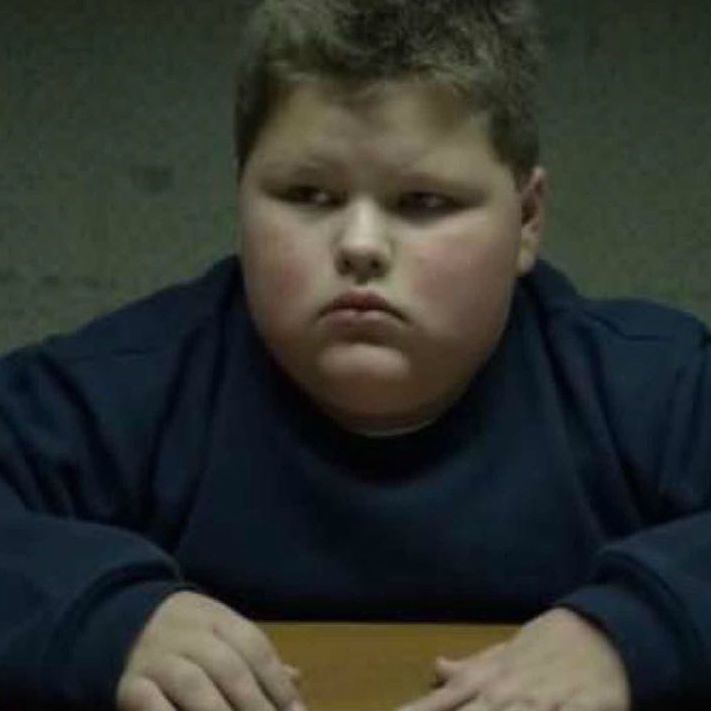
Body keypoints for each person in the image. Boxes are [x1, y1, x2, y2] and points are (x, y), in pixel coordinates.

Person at [0, 0, 709, 709]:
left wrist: (633, 629)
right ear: (240, 196)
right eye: (308, 194)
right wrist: (101, 616)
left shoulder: (653, 391)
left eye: (423, 201)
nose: (360, 245)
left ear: (526, 219)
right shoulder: (119, 391)